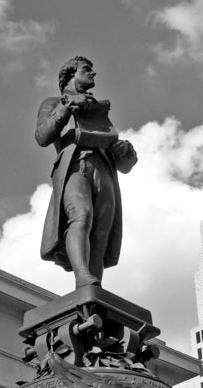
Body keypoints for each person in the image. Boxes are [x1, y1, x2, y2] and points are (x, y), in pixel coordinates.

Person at [35, 56, 136, 289]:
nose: (93, 73)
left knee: (101, 234)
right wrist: (67, 105)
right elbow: (42, 136)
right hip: (76, 167)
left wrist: (125, 150)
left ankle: (93, 287)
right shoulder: (53, 103)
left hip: (105, 171)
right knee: (81, 216)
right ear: (70, 75)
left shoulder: (97, 109)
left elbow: (124, 164)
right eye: (86, 69)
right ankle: (82, 277)